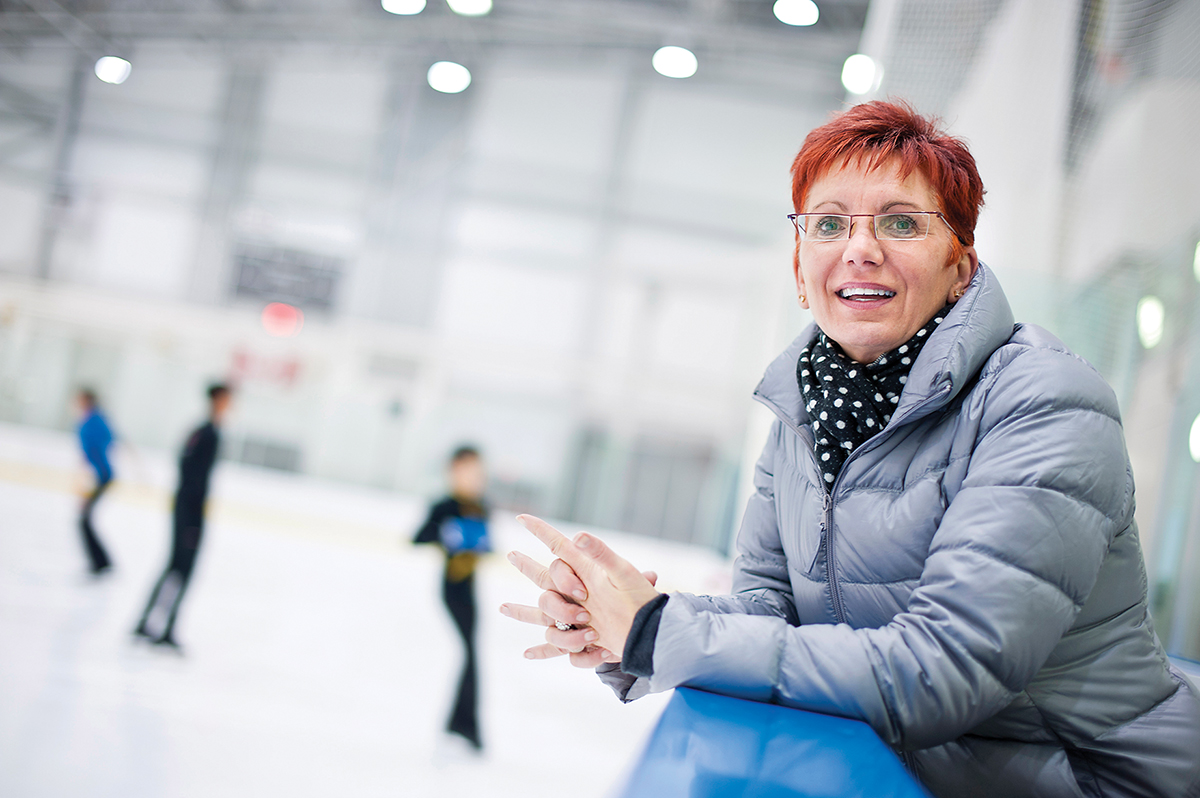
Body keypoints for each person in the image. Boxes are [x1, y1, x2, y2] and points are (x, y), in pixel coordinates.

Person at [500, 101, 1200, 797]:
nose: (860, 248)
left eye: (901, 222)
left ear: (962, 264)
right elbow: (771, 610)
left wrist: (663, 635)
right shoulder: (803, 413)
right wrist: (633, 618)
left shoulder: (1042, 402)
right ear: (801, 271)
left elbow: (946, 670)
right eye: (829, 223)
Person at [135, 383, 231, 651]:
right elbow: (190, 474)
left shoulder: (204, 432)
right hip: (189, 512)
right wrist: (192, 517)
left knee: (175, 567)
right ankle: (161, 627)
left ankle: (150, 623)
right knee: (181, 569)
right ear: (218, 399)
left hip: (186, 508)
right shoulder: (207, 433)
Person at [413, 445, 491, 753]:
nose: (475, 477)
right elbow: (419, 536)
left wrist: (476, 542)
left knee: (471, 656)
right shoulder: (445, 505)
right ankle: (464, 727)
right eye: (468, 470)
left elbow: (485, 546)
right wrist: (444, 533)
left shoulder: (481, 505)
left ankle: (462, 725)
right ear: (454, 471)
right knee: (469, 656)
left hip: (471, 589)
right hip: (452, 588)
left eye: (478, 472)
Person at [76, 388, 115, 576]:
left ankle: (102, 562)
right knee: (85, 520)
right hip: (98, 476)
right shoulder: (90, 420)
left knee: (84, 520)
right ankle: (101, 562)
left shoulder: (94, 421)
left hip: (102, 476)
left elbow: (105, 442)